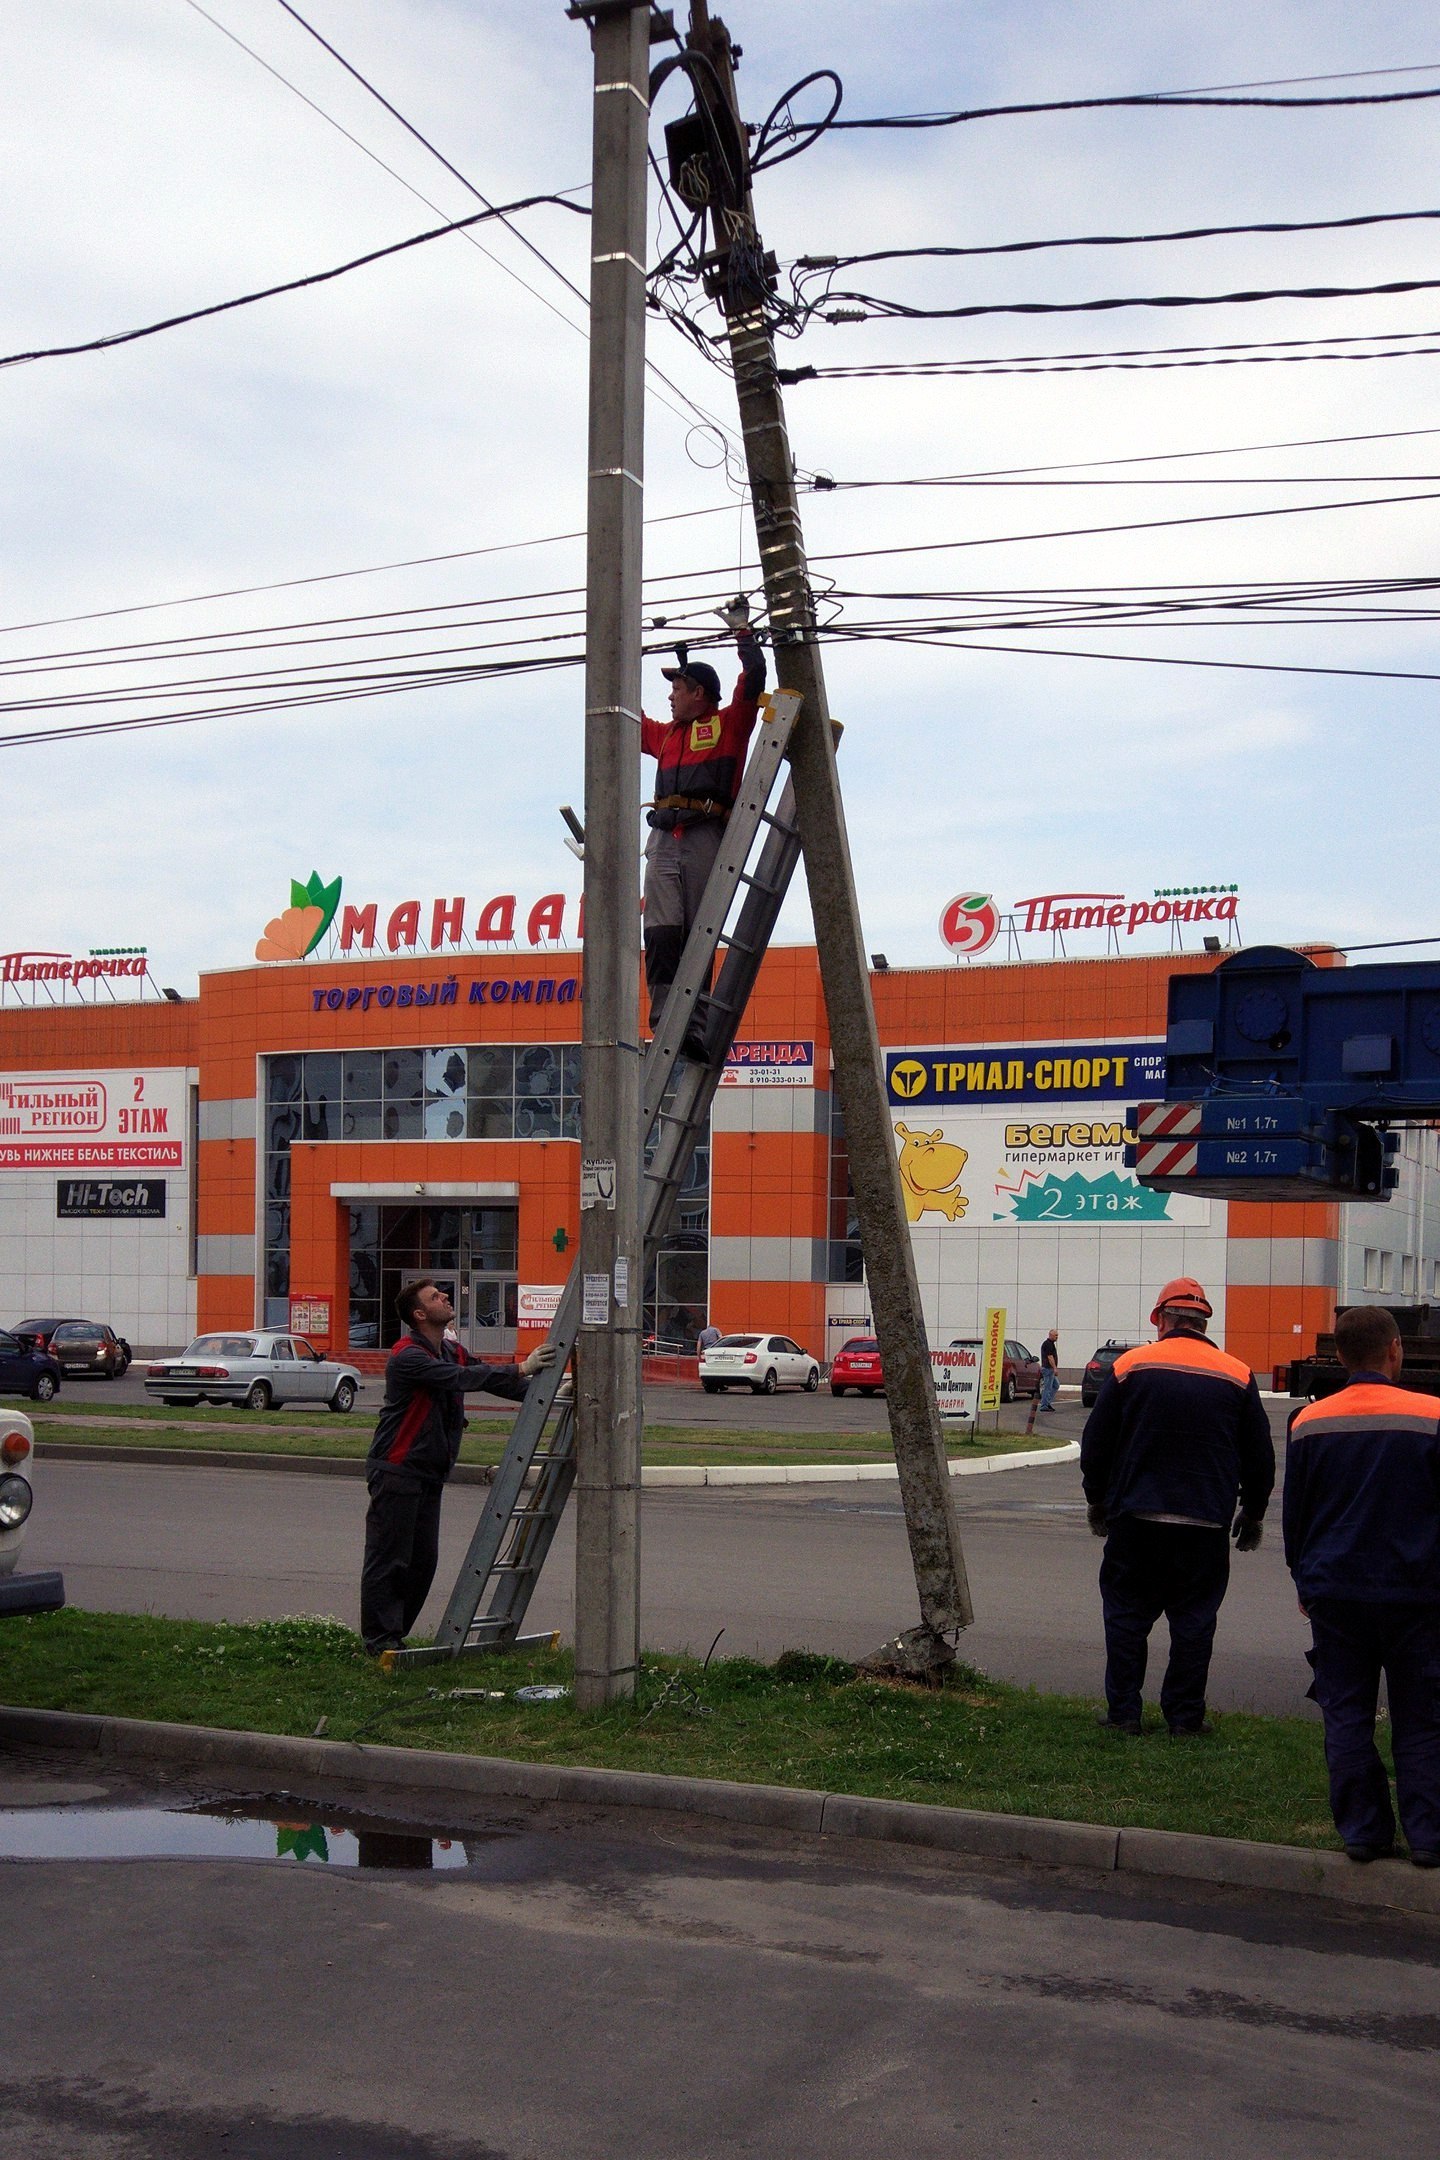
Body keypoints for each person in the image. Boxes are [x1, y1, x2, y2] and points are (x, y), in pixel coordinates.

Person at [1080, 1277, 1274, 1737]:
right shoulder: (1237, 1373)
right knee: (1194, 1621)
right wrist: (1255, 1513)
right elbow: (1259, 1456)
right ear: (1205, 1321)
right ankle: (1185, 1718)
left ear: (1160, 1319)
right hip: (1205, 1521)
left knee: (1126, 1617)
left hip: (1137, 1518)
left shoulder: (1130, 1367)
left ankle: (1124, 1713)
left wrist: (1097, 1501)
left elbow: (1097, 1445)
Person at [1284, 1305, 1440, 1867]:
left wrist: (1304, 1579)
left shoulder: (1309, 1423)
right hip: (1419, 1595)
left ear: (1341, 1357)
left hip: (1335, 1594)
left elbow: (1296, 1515)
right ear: (1394, 1349)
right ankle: (1428, 1837)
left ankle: (1364, 1833)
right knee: (1422, 1717)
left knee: (1346, 1714)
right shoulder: (1433, 1415)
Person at [360, 1278, 557, 1656]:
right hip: (398, 1471)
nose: (445, 1296)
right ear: (420, 1315)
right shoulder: (408, 1355)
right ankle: (380, 1642)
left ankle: (394, 1638)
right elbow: (463, 1380)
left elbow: (484, 1375)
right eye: (435, 1296)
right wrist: (520, 1368)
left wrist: (548, 1390)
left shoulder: (449, 1350)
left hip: (429, 1473)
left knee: (422, 1565)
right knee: (390, 1562)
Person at [641, 597, 766, 1054]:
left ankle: (691, 1028)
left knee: (699, 933)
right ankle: (662, 1024)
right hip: (663, 839)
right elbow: (624, 721)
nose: (670, 695)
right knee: (660, 933)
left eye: (677, 687)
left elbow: (753, 682)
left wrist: (744, 633)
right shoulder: (666, 735)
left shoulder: (729, 724)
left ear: (698, 692)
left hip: (704, 836)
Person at [1038, 1328, 1060, 1413]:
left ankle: (1047, 1402)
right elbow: (1050, 1357)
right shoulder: (1048, 1344)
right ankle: (1044, 1405)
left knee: (1056, 1385)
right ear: (1050, 1335)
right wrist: (1054, 1368)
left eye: (1057, 1335)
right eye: (1055, 1335)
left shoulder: (1051, 1344)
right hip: (1048, 1369)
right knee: (1048, 1387)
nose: (1057, 1337)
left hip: (1049, 1369)